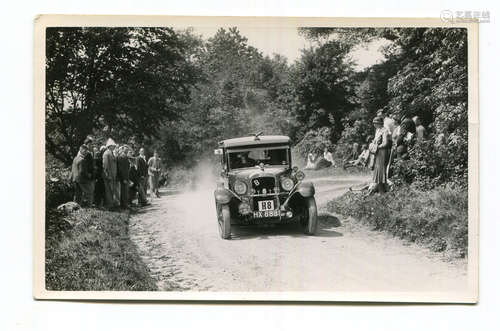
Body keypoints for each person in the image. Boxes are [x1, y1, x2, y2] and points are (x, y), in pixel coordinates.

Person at [369, 117, 391, 194]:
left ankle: (383, 191)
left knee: (381, 171)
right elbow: (376, 140)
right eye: (374, 123)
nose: (374, 124)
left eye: (376, 123)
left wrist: (377, 146)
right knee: (377, 170)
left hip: (382, 152)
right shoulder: (377, 130)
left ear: (380, 123)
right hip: (377, 152)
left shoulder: (385, 130)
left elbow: (385, 143)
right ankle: (381, 190)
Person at [102, 138, 118, 209]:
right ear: (109, 146)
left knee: (112, 190)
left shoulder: (111, 153)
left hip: (113, 175)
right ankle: (109, 205)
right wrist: (107, 175)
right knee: (109, 191)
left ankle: (112, 204)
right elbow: (105, 166)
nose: (114, 147)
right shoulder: (106, 154)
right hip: (109, 176)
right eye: (113, 146)